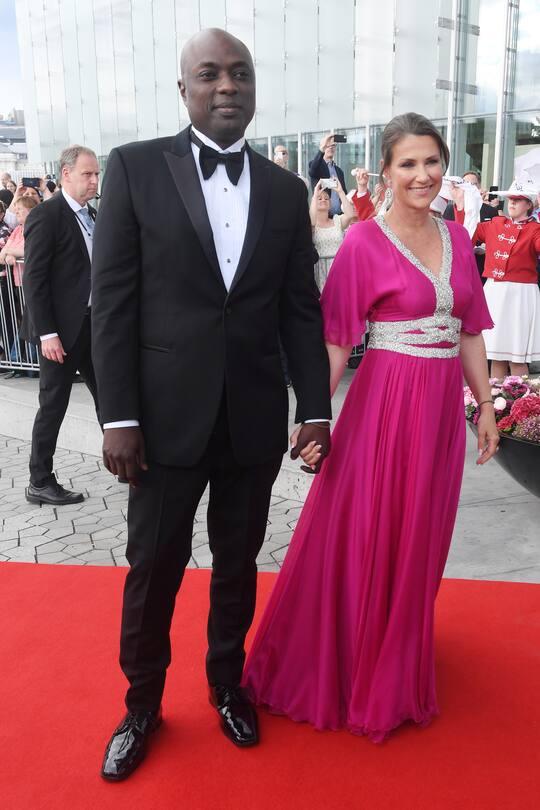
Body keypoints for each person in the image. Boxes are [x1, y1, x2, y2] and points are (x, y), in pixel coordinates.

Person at [92, 28, 332, 781]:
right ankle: (140, 706)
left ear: (254, 88)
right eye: (210, 74)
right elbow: (113, 304)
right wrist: (119, 416)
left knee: (237, 563)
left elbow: (299, 309)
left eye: (240, 74)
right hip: (160, 424)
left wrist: (315, 408)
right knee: (153, 565)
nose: (227, 86)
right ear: (184, 90)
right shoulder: (133, 169)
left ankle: (227, 684)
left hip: (254, 420)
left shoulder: (288, 192)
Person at [243, 112, 499, 742]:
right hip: (383, 408)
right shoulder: (362, 241)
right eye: (408, 163)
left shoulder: (460, 238)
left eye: (432, 162)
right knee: (368, 529)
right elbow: (336, 343)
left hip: (439, 412)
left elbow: (468, 330)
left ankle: (400, 647)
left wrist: (486, 405)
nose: (423, 174)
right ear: (384, 171)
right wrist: (313, 417)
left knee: (422, 534)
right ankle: (355, 658)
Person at [19, 145, 100, 505]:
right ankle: (40, 479)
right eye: (87, 174)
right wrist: (47, 333)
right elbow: (35, 280)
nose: (94, 180)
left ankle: (127, 462)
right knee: (54, 404)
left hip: (95, 326)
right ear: (66, 174)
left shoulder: (93, 215)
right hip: (61, 334)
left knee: (113, 398)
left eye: (97, 174)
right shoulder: (47, 216)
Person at [454, 175, 540, 379]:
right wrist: (460, 203)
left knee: (517, 359)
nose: (511, 202)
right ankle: (496, 404)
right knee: (496, 356)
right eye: (510, 198)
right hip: (494, 292)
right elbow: (466, 234)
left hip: (521, 294)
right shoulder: (495, 223)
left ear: (529, 204)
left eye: (518, 199)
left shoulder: (535, 230)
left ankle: (522, 407)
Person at [310, 178, 356, 291]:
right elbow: (310, 221)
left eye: (326, 198)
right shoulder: (313, 225)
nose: (323, 200)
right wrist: (315, 194)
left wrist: (340, 191)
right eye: (319, 198)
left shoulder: (337, 221)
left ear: (330, 203)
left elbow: (350, 215)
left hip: (339, 269)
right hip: (319, 271)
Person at [309, 133, 347, 215]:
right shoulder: (316, 165)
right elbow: (312, 171)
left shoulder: (339, 171)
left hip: (339, 215)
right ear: (323, 147)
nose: (330, 147)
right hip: (323, 215)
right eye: (327, 145)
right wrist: (322, 149)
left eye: (333, 145)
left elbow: (344, 191)